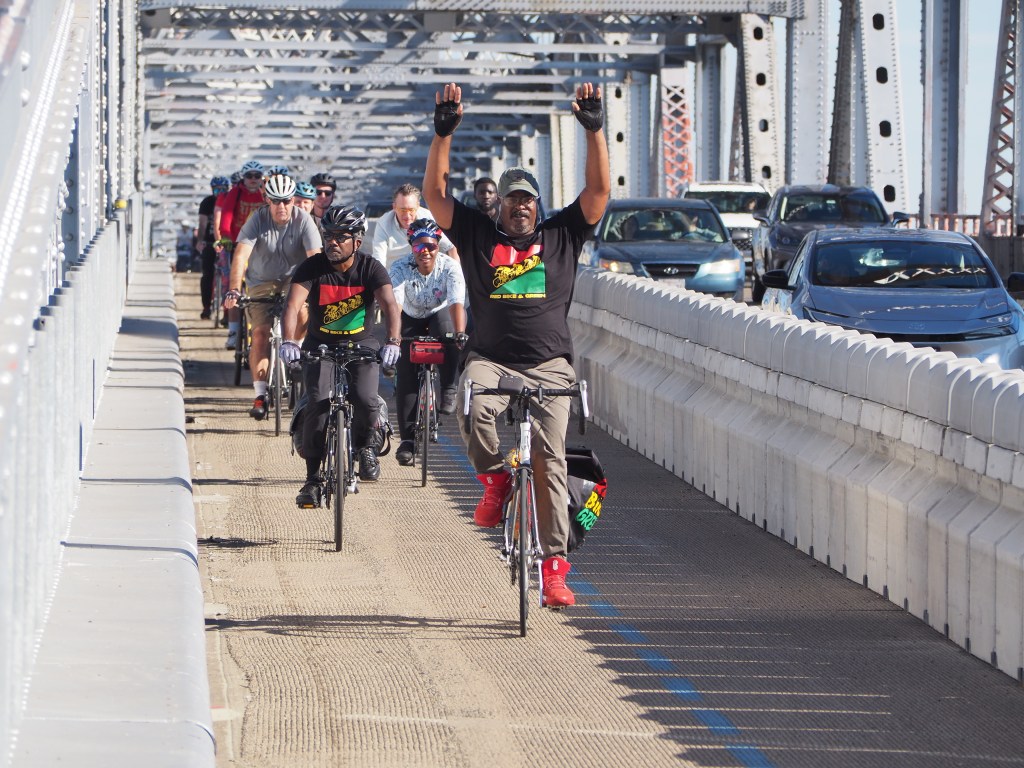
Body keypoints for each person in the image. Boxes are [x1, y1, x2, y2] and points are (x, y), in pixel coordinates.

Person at [422, 81, 609, 608]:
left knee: (550, 462)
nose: (520, 207)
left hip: (550, 366)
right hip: (492, 360)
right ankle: (496, 481)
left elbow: (598, 192)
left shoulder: (562, 235)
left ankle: (554, 572)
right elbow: (435, 197)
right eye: (512, 200)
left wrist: (594, 131)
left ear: (537, 205)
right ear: (500, 205)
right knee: (471, 405)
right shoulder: (479, 236)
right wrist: (443, 135)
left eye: (528, 199)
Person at [279, 206, 403, 505]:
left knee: (365, 398)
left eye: (340, 237)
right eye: (328, 236)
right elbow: (293, 306)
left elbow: (389, 305)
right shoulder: (312, 267)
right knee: (318, 404)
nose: (332, 242)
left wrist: (393, 342)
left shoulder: (371, 268)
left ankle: (365, 447)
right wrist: (289, 341)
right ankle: (312, 479)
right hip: (319, 345)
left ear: (357, 242)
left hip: (362, 345)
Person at [223, 174, 322, 419]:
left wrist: (318, 289)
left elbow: (315, 258)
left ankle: (297, 347)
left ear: (293, 200)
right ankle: (260, 394)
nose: (282, 206)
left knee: (302, 310)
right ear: (267, 200)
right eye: (276, 201)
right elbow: (240, 256)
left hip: (295, 280)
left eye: (286, 201)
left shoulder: (304, 220)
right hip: (261, 282)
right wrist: (234, 289)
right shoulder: (257, 219)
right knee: (259, 334)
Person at [388, 218, 468, 466]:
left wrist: (460, 333)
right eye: (419, 246)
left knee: (448, 333)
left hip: (438, 312)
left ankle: (449, 386)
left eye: (431, 246)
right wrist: (393, 339)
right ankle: (407, 441)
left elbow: (456, 302)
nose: (425, 252)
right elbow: (395, 305)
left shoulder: (450, 266)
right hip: (410, 314)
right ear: (411, 246)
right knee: (406, 374)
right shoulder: (400, 267)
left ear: (438, 246)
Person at [216, 160, 267, 348]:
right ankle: (233, 331)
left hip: (261, 247)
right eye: (249, 176)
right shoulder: (235, 193)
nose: (253, 179)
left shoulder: (265, 195)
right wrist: (226, 237)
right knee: (235, 289)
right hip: (238, 245)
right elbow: (227, 216)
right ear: (243, 178)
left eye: (257, 176)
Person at [371, 183, 458, 270]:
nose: (407, 216)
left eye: (411, 210)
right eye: (403, 210)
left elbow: (450, 247)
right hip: (395, 273)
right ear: (394, 207)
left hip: (427, 274)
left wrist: (457, 273)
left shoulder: (429, 219)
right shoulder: (383, 224)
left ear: (418, 206)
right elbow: (379, 259)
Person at [198, 175, 230, 319]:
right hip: (210, 242)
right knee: (207, 274)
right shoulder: (207, 202)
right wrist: (200, 240)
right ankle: (206, 306)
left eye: (223, 190)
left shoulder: (230, 200)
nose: (220, 193)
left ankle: (228, 311)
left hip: (227, 242)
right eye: (217, 190)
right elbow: (202, 223)